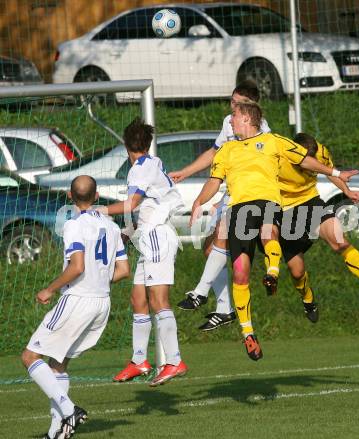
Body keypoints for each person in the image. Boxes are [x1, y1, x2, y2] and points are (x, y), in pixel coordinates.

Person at [190, 100, 358, 361]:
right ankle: (248, 334)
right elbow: (214, 182)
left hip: (267, 203)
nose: (230, 121)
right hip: (238, 211)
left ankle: (272, 272)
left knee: (269, 231)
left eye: (234, 116)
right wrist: (199, 201)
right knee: (240, 272)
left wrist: (336, 172)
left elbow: (306, 160)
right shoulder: (227, 150)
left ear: (247, 118)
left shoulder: (274, 141)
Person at [21, 175, 130, 439]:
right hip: (101, 302)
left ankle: (70, 411)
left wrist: (50, 289)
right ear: (96, 196)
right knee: (58, 364)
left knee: (29, 357)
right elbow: (124, 271)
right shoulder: (112, 227)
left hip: (77, 299)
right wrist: (98, 281)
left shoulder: (74, 225)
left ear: (70, 196)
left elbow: (77, 266)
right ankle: (57, 432)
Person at [170, 80, 271, 331]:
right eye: (231, 101)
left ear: (250, 111)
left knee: (225, 241)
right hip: (232, 194)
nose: (231, 106)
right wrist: (186, 172)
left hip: (251, 198)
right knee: (209, 248)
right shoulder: (229, 122)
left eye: (237, 104)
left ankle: (203, 293)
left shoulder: (263, 133)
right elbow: (215, 153)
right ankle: (224, 308)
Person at [100, 118, 188, 386]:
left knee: (158, 299)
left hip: (158, 238)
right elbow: (147, 207)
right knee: (138, 298)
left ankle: (174, 360)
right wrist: (127, 232)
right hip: (148, 237)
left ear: (127, 146)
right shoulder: (151, 164)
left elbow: (132, 203)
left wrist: (98, 209)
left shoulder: (140, 169)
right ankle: (140, 360)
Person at [278, 133, 359, 323]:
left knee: (340, 242)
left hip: (312, 203)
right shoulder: (281, 155)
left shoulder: (321, 151)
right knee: (297, 272)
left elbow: (329, 171)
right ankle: (308, 300)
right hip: (286, 213)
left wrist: (347, 191)